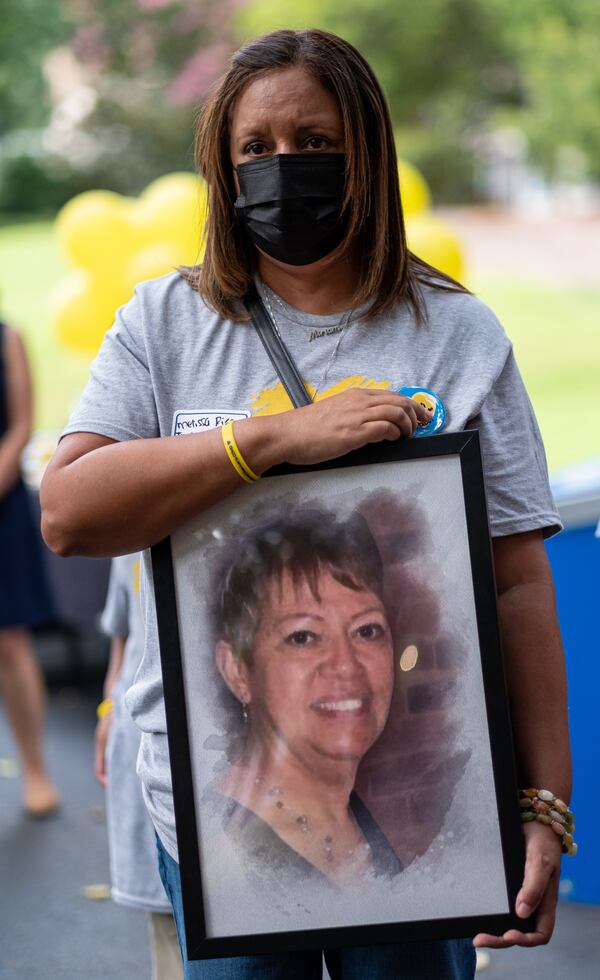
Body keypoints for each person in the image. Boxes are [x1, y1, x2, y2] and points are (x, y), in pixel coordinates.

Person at [40, 27, 571, 980]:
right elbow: (71, 515)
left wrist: (544, 804)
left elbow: (519, 582)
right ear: (224, 167)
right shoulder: (164, 323)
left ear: (365, 149)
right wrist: (267, 440)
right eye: (257, 150)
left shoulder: (457, 332)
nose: (286, 169)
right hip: (210, 818)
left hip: (421, 816)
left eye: (316, 144)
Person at [206, 506, 401, 888]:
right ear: (237, 671)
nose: (346, 666)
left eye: (367, 631)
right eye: (303, 637)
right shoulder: (228, 857)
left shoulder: (359, 825)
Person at [95, 553, 183, 980]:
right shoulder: (128, 522)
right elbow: (125, 627)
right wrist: (109, 707)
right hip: (147, 755)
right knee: (168, 929)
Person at [0, 318, 59, 817]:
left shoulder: (7, 336)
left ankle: (35, 767)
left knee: (10, 641)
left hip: (2, 505)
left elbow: (21, 427)